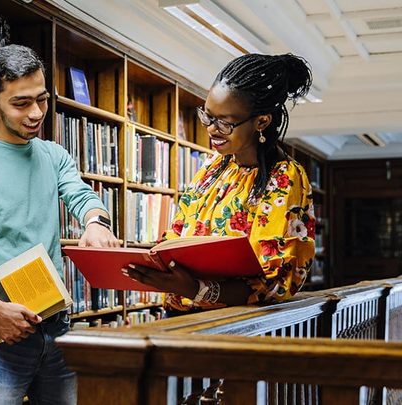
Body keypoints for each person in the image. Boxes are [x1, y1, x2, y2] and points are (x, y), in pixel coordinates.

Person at [0, 44, 119, 404]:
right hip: (0, 333)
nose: (36, 113)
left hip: (57, 326)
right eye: (21, 103)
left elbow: (82, 196)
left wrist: (96, 223)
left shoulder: (53, 155)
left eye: (42, 100)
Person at [124, 53, 316, 312]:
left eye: (224, 122)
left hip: (229, 328)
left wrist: (194, 289)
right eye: (208, 117)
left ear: (262, 121)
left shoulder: (284, 177)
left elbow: (273, 283)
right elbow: (178, 231)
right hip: (178, 319)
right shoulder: (213, 165)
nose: (212, 129)